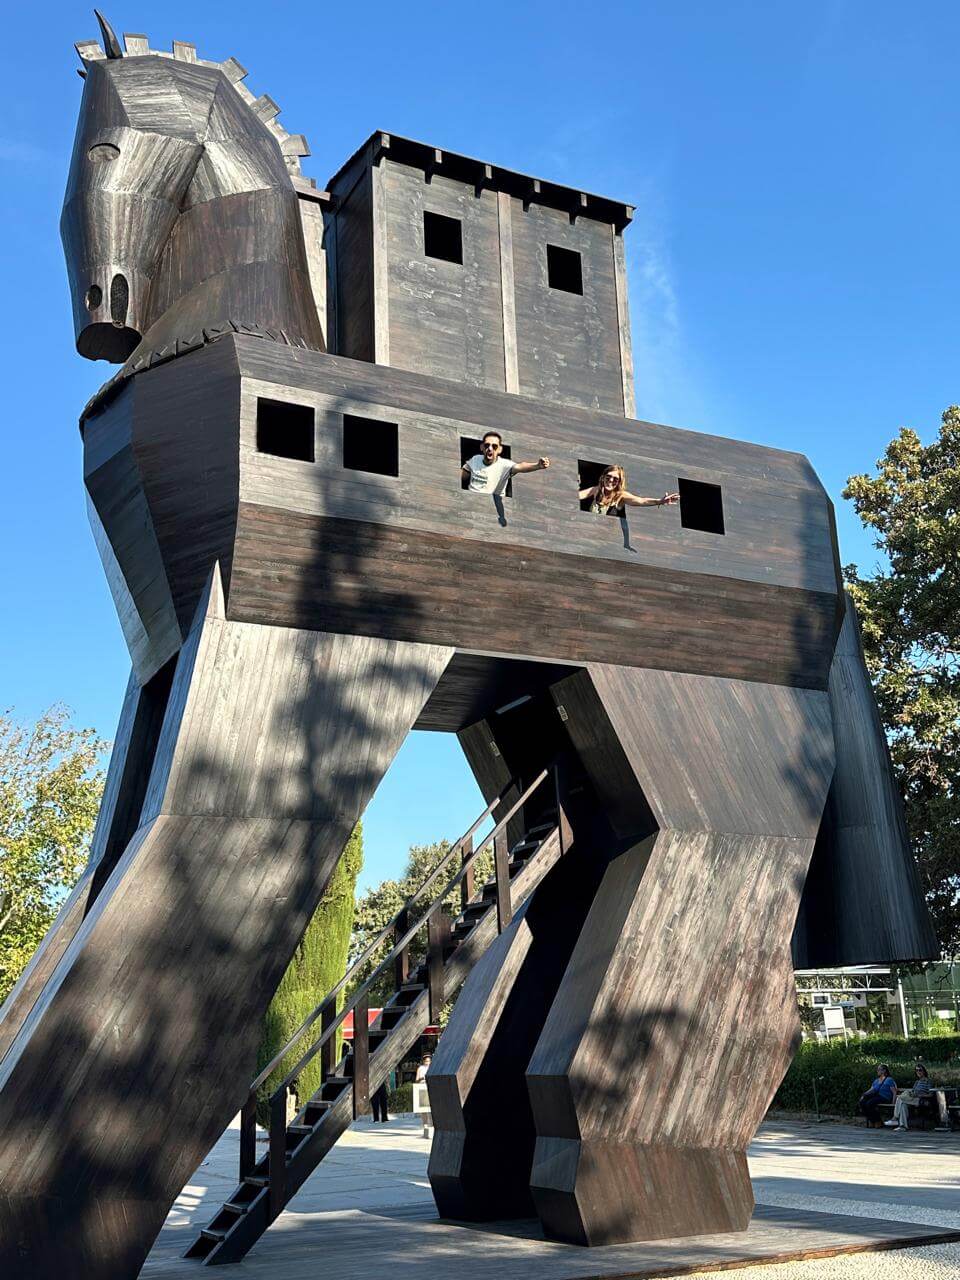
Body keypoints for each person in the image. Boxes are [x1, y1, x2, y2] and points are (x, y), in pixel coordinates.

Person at [460, 431, 549, 495]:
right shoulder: (476, 459)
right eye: (487, 445)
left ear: (499, 449)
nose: (490, 449)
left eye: (494, 446)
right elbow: (463, 475)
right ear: (482, 447)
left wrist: (537, 465)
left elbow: (520, 466)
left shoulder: (504, 465)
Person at [579, 465, 679, 517]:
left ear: (619, 482)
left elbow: (641, 501)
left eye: (615, 479)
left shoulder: (621, 496)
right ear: (603, 477)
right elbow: (575, 495)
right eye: (608, 477)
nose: (611, 480)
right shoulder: (596, 490)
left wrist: (660, 501)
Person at [886, 1063, 932, 1131]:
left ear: (924, 1071)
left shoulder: (928, 1081)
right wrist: (912, 1094)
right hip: (912, 1099)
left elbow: (931, 1094)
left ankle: (895, 1118)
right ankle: (903, 1127)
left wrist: (919, 1095)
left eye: (920, 1070)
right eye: (916, 1070)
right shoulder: (917, 1082)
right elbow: (913, 1091)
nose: (918, 1072)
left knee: (900, 1098)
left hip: (921, 1100)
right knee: (903, 1104)